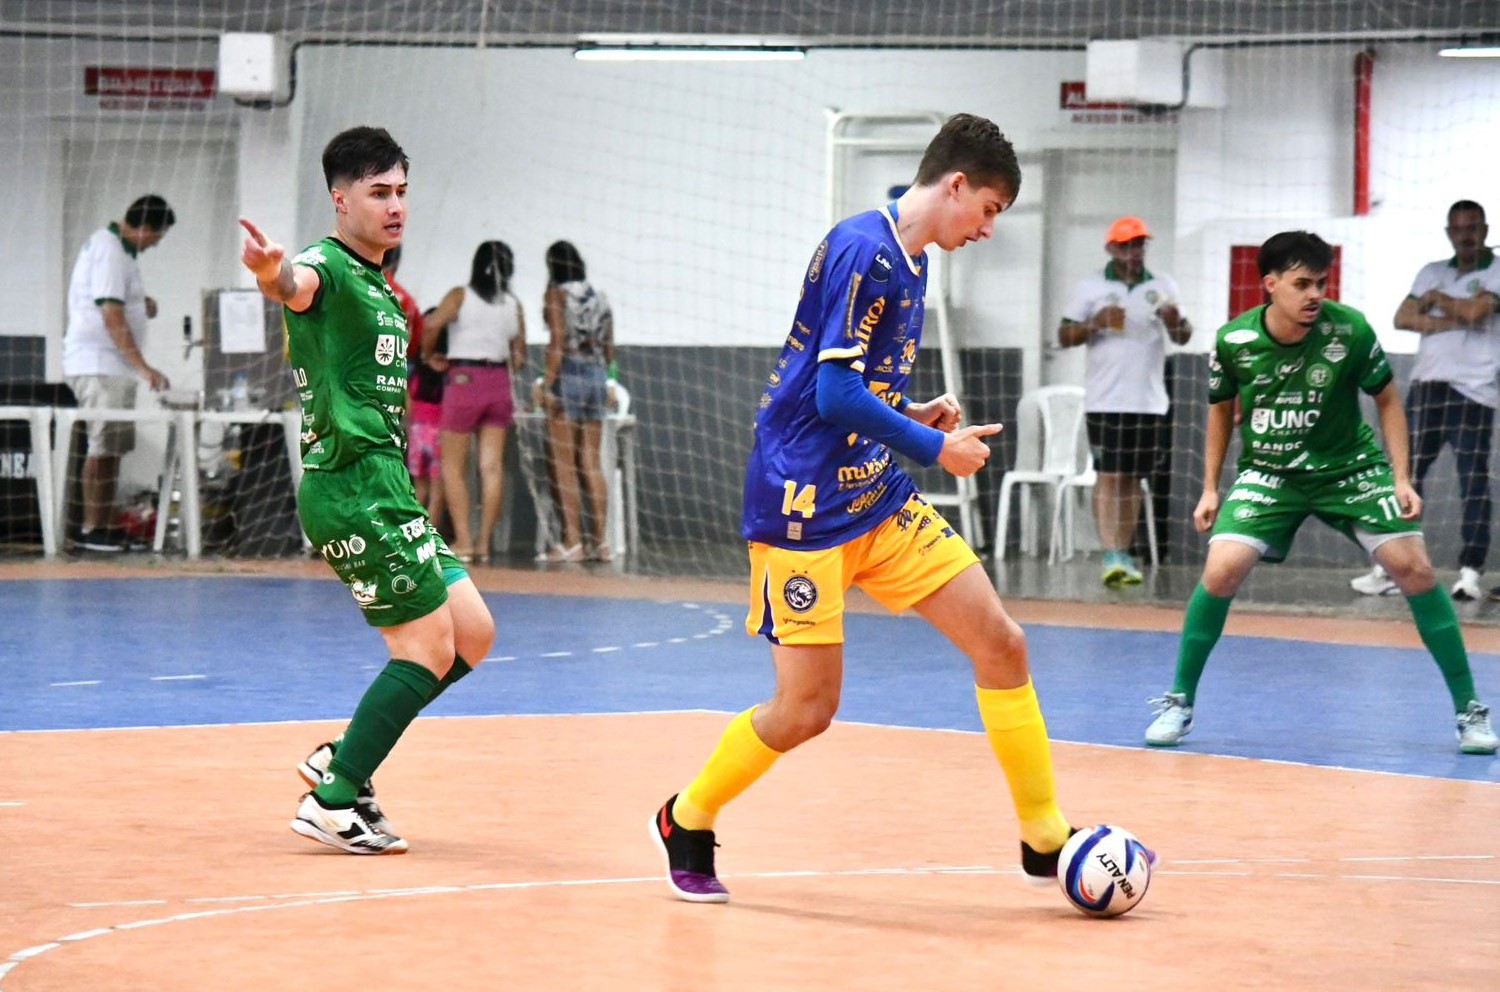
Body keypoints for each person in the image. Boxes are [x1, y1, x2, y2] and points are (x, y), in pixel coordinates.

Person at [648, 113, 1127, 904]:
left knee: (1002, 644)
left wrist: (908, 410)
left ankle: (1045, 837)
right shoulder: (866, 250)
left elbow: (842, 385)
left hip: (873, 495)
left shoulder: (913, 256)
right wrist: (933, 447)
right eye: (991, 209)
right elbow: (831, 394)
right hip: (802, 509)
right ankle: (687, 816)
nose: (988, 228)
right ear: (956, 185)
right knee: (806, 711)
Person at [238, 125, 497, 854]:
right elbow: (294, 286)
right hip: (349, 485)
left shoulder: (385, 286)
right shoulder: (324, 266)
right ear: (341, 198)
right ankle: (334, 797)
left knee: (472, 633)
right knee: (424, 645)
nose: (395, 206)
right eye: (379, 193)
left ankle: (344, 753)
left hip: (388, 484)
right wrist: (270, 273)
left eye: (402, 192)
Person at [1143, 230, 1497, 756]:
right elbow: (1220, 410)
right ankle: (1179, 701)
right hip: (1270, 473)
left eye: (1321, 283)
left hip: (1349, 468)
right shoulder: (1234, 341)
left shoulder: (1349, 330)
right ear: (1270, 284)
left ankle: (1470, 710)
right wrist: (1210, 488)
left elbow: (1389, 402)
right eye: (1302, 283)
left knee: (1416, 569)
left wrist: (1401, 477)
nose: (1314, 294)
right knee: (1220, 570)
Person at [1350, 200, 1500, 602]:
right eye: (1457, 228)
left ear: (1485, 230)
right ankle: (1389, 568)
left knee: (1473, 483)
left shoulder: (1497, 270)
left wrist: (1436, 301)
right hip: (1427, 388)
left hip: (1474, 392)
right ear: (1448, 233)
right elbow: (1402, 317)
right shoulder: (1431, 271)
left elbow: (1477, 311)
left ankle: (1469, 573)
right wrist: (1455, 313)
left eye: (1472, 228)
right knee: (1403, 476)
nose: (1465, 235)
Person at [1057, 216, 1192, 586]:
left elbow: (1182, 337)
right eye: (1127, 246)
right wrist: (1094, 323)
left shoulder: (1162, 286)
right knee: (1110, 474)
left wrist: (1174, 319)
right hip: (1104, 399)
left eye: (1139, 245)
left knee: (1133, 478)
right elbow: (1065, 334)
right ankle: (1111, 554)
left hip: (1149, 401)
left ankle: (1125, 553)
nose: (1134, 252)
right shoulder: (1091, 287)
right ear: (1112, 249)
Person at [61, 194, 175, 552]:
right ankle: (91, 527)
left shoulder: (122, 253)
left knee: (113, 449)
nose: (157, 244)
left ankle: (108, 523)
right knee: (100, 446)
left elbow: (119, 301)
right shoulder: (109, 249)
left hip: (113, 368)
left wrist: (145, 304)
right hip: (98, 365)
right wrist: (145, 368)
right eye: (158, 237)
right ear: (144, 228)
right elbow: (110, 313)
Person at [421, 241, 527, 563]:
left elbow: (431, 324)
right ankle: (484, 544)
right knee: (491, 467)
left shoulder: (459, 296)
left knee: (453, 467)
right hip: (499, 384)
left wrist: (428, 355)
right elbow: (519, 356)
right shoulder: (514, 305)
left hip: (464, 380)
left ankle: (464, 542)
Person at [536, 240, 615, 563]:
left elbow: (557, 342)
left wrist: (546, 383)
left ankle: (573, 541)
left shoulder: (556, 294)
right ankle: (601, 542)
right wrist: (608, 380)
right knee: (591, 463)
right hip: (597, 374)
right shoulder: (600, 296)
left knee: (564, 465)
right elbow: (610, 345)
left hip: (568, 373)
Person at [384, 248, 446, 529]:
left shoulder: (356, 289)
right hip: (399, 373)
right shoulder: (405, 299)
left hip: (364, 377)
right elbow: (418, 337)